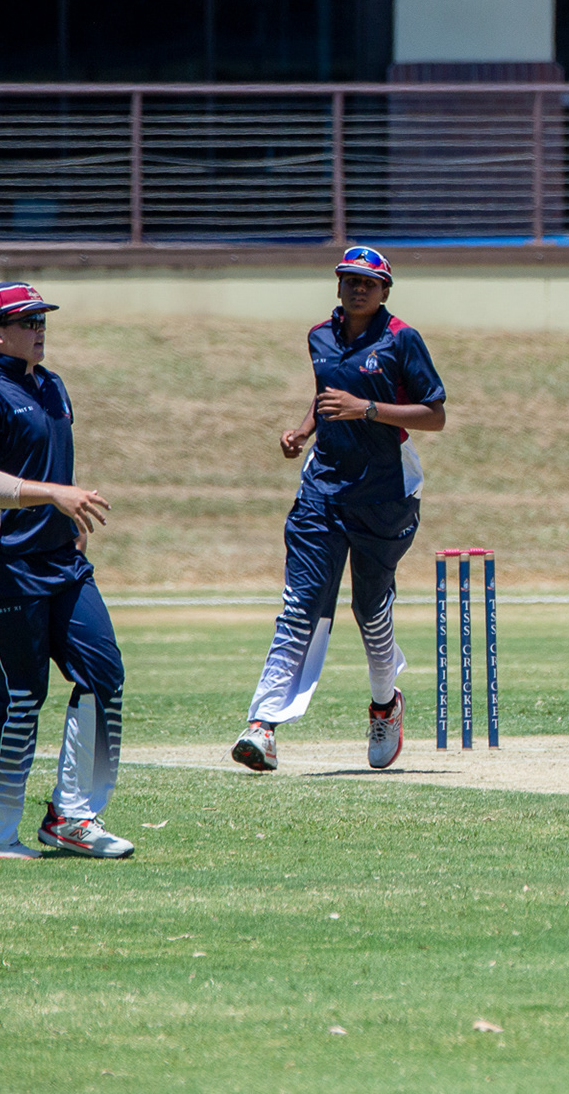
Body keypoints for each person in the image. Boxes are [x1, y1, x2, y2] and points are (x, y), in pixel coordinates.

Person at [231, 246, 446, 773]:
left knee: (370, 610)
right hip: (322, 490)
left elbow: (434, 414)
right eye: (350, 280)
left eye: (369, 283)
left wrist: (366, 410)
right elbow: (326, 392)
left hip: (386, 494)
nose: (358, 288)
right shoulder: (319, 336)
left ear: (385, 291)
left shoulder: (402, 338)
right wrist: (304, 431)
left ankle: (385, 705)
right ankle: (263, 725)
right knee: (300, 605)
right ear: (338, 286)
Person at [0, 282, 132, 858]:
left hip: (61, 560)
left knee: (103, 675)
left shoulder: (51, 385)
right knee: (23, 693)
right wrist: (53, 495)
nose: (39, 329)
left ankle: (73, 817)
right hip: (0, 563)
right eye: (27, 322)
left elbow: (48, 459)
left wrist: (65, 516)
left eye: (42, 319)